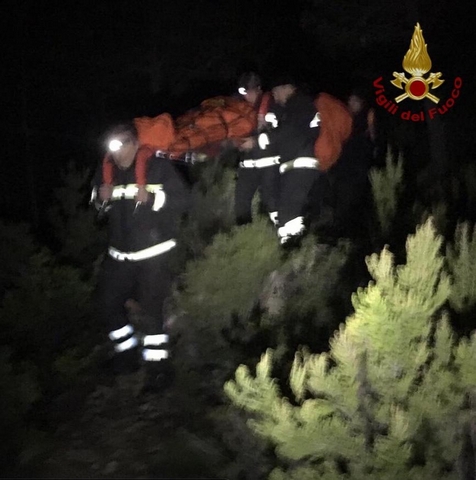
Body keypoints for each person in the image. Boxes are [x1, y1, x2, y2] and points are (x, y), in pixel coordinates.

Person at [91, 122, 191, 393]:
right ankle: (127, 356)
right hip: (119, 255)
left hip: (153, 254)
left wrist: (153, 199)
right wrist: (100, 199)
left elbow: (184, 200)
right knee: (107, 303)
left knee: (151, 312)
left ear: (135, 143)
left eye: (122, 144)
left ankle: (159, 370)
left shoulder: (158, 167)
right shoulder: (106, 170)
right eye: (112, 146)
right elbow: (98, 205)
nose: (117, 151)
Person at [256, 74, 321, 245]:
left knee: (290, 215)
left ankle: (294, 248)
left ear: (287, 88)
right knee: (288, 213)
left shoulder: (300, 105)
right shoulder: (296, 106)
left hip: (301, 165)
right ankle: (291, 246)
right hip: (297, 166)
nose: (275, 96)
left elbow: (290, 132)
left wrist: (267, 137)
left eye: (276, 92)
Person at [233, 72, 280, 226]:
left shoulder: (272, 104)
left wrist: (255, 142)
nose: (247, 96)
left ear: (258, 89)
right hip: (248, 165)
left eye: (249, 91)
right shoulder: (241, 108)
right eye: (244, 92)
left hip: (269, 165)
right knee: (241, 203)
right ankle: (244, 233)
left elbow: (281, 133)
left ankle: (281, 234)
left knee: (271, 204)